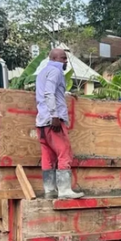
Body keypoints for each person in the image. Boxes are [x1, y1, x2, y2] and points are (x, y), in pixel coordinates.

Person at [35, 49, 83, 199]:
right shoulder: (56, 71)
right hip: (52, 120)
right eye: (63, 58)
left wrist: (66, 94)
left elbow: (48, 91)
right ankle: (64, 190)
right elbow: (48, 93)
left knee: (47, 155)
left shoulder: (43, 72)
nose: (65, 61)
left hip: (42, 122)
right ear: (54, 58)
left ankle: (49, 190)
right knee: (64, 152)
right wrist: (54, 115)